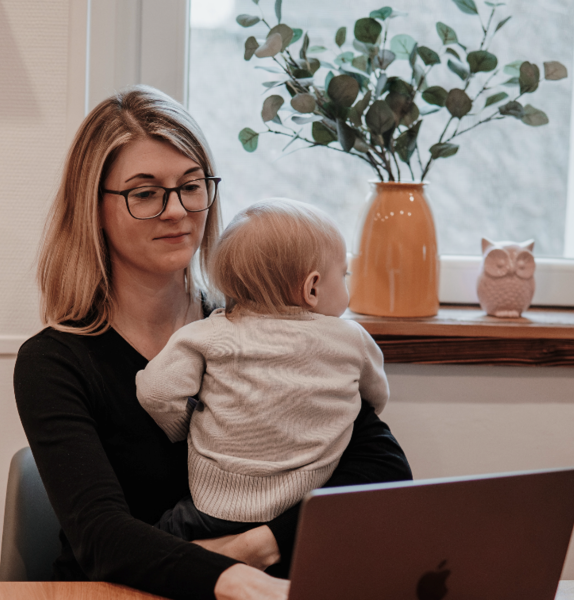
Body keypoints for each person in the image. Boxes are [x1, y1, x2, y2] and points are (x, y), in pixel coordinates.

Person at [13, 85, 412, 600]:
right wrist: (228, 572)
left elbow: (383, 472)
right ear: (93, 207)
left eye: (191, 185)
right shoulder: (53, 362)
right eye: (144, 193)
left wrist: (256, 546)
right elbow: (102, 538)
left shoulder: (268, 322)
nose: (177, 210)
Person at [137, 198, 389, 540]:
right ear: (312, 288)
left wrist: (182, 428)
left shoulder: (208, 334)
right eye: (343, 275)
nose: (346, 284)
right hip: (303, 507)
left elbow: (155, 392)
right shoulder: (350, 338)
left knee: (157, 545)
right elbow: (375, 397)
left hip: (213, 506)